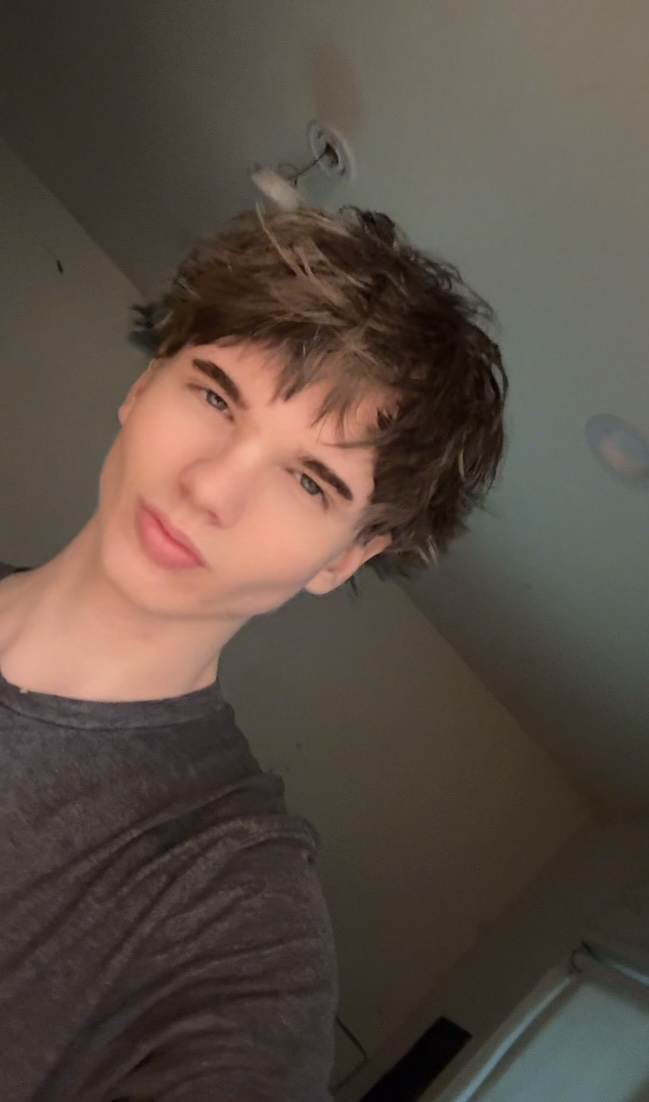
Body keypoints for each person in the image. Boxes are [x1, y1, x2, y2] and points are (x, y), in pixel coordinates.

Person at [0, 206, 507, 1101]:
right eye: (214, 396)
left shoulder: (234, 911)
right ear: (144, 384)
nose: (210, 489)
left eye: (310, 481)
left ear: (347, 556)